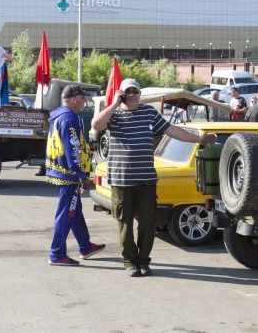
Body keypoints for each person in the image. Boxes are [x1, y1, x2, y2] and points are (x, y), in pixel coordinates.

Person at [91, 78, 217, 277]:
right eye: (128, 91)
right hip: (122, 179)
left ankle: (143, 261)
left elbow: (172, 130)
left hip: (146, 179)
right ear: (121, 93)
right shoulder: (114, 114)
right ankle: (129, 261)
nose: (133, 95)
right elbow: (96, 124)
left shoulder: (148, 112)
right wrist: (115, 103)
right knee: (125, 223)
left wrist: (198, 139)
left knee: (148, 222)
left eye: (136, 91)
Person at [46, 85, 106, 266]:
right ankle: (57, 254)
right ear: (73, 99)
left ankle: (85, 246)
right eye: (82, 98)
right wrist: (81, 174)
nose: (84, 102)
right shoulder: (69, 118)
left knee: (74, 211)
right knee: (66, 214)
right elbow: (72, 149)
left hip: (62, 171)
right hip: (69, 174)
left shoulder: (60, 115)